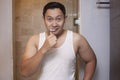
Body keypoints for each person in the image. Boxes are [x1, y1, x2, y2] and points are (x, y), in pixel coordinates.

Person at [21, 2, 97, 80]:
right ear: (43, 19)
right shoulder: (34, 40)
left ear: (65, 19)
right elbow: (25, 72)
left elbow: (91, 60)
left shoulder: (76, 39)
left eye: (59, 19)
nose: (54, 24)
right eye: (49, 19)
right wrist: (43, 49)